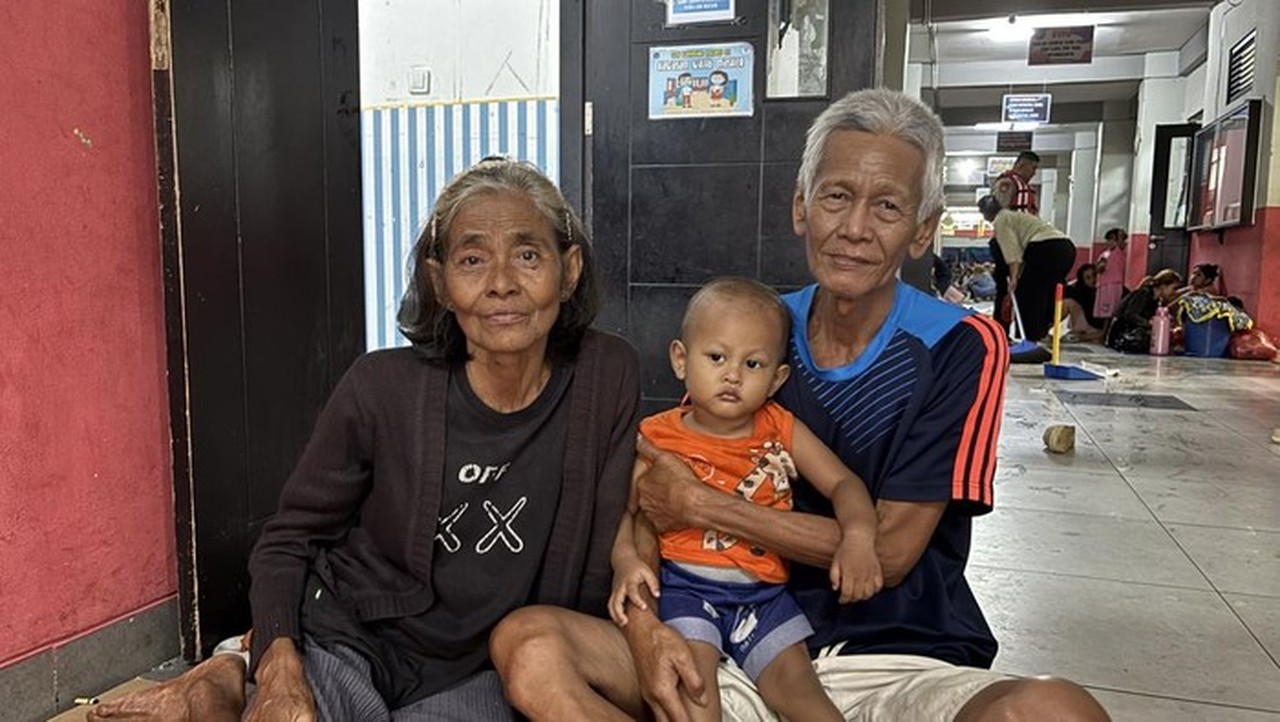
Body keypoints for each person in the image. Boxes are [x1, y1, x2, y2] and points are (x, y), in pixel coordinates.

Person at [489, 89, 1109, 722]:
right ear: (800, 207)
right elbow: (663, 489)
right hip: (719, 643)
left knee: (1057, 710)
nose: (855, 228)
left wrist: (706, 505)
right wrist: (647, 628)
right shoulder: (753, 329)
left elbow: (887, 555)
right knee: (530, 645)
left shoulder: (956, 345)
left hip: (893, 660)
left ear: (923, 231)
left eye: (888, 206)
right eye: (836, 196)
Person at [87, 157, 641, 722]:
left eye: (528, 255)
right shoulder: (381, 387)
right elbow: (288, 539)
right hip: (353, 638)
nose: (502, 283)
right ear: (439, 282)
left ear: (569, 271)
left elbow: (623, 520)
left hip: (484, 672)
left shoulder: (606, 375)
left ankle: (225, 677)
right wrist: (280, 670)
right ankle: (241, 671)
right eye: (472, 259)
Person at [609, 277, 882, 722]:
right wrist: (625, 560)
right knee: (693, 697)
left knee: (809, 702)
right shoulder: (657, 437)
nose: (732, 374)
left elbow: (843, 484)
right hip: (686, 592)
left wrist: (859, 536)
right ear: (681, 360)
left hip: (766, 599)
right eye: (716, 358)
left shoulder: (780, 428)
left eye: (753, 364)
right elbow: (627, 511)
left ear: (777, 379)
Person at [979, 194, 1077, 344]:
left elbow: (1013, 254)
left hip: (1046, 248)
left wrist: (1013, 279)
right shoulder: (1015, 216)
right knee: (1046, 294)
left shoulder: (1001, 220)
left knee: (1027, 295)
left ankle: (1029, 338)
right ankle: (1040, 332)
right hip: (1066, 249)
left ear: (986, 213)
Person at [988, 151, 1040, 330]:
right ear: (1021, 165)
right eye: (1033, 168)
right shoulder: (1007, 183)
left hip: (1021, 241)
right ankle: (1000, 329)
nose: (1034, 172)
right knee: (1005, 287)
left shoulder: (1025, 187)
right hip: (1006, 241)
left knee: (1020, 288)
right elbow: (999, 211)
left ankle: (1020, 329)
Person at [1106, 269, 1183, 353]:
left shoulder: (1156, 301)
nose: (1174, 292)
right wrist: (1149, 323)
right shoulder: (1144, 294)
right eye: (1173, 288)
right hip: (1123, 334)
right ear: (1163, 285)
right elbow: (1130, 315)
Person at [1061, 263, 1105, 343]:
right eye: (1088, 278)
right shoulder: (1082, 291)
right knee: (1067, 302)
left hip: (1100, 329)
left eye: (1094, 275)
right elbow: (1064, 292)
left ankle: (1083, 336)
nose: (1093, 280)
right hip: (1088, 324)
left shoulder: (1107, 289)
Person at [1093, 228, 1127, 323]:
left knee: (1111, 310)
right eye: (1109, 239)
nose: (1110, 242)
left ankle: (1106, 331)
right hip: (1105, 284)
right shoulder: (1105, 254)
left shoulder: (1119, 252)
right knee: (1105, 311)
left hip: (1113, 284)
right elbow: (1099, 267)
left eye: (1114, 239)